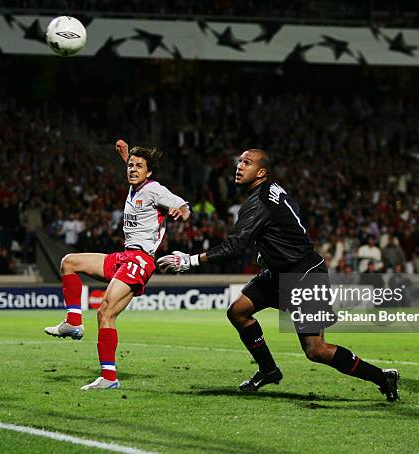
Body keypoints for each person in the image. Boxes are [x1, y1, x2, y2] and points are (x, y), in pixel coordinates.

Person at [158, 149, 399, 401]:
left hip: (304, 274)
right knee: (238, 311)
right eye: (239, 162)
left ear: (261, 172)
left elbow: (235, 246)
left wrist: (190, 260)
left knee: (316, 350)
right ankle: (269, 370)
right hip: (280, 271)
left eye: (247, 163)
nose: (239, 166)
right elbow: (290, 223)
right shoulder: (273, 190)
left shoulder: (258, 201)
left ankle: (382, 377)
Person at [45, 139, 190, 390]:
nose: (133, 169)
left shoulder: (154, 189)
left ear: (150, 172)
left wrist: (182, 211)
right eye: (130, 166)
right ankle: (73, 322)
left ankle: (109, 378)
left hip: (140, 260)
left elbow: (182, 204)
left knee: (105, 312)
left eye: (139, 166)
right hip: (125, 257)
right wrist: (128, 156)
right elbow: (134, 169)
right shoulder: (136, 185)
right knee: (69, 262)